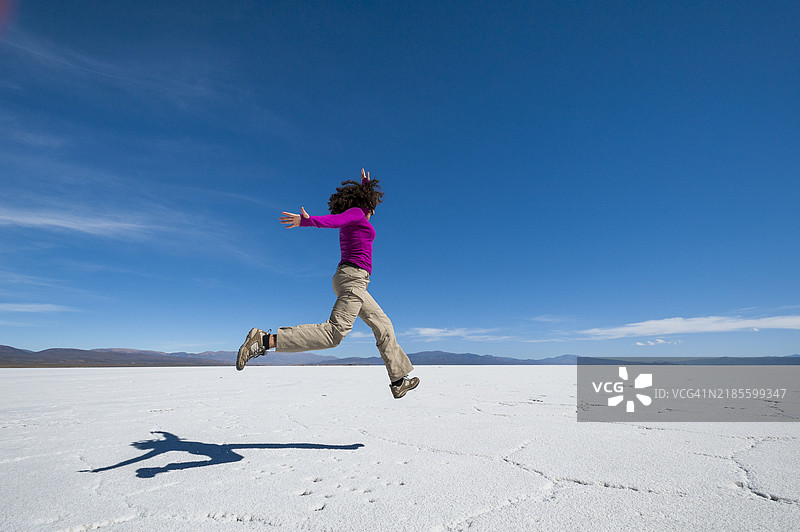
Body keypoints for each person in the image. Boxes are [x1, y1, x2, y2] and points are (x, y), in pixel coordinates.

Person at [236, 169, 419, 399]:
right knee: (334, 334)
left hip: (355, 281)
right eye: (373, 204)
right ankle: (263, 340)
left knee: (383, 325)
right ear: (366, 203)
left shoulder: (359, 215)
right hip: (353, 279)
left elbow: (353, 212)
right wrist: (308, 221)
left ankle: (398, 380)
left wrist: (366, 185)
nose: (374, 210)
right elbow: (334, 220)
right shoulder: (355, 214)